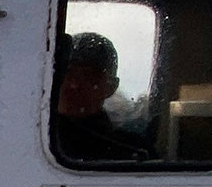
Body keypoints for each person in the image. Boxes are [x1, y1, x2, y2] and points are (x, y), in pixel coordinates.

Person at [52, 32, 153, 162]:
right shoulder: (32, 137)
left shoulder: (133, 150)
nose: (74, 85)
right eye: (67, 73)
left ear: (111, 87)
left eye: (89, 77)